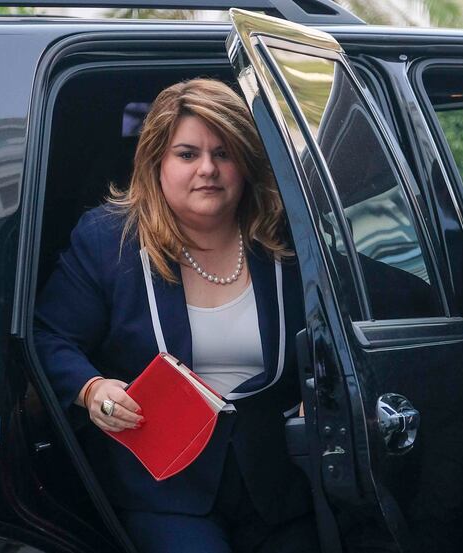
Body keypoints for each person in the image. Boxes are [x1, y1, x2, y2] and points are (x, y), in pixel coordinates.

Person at [34, 78, 317, 553]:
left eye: (224, 153)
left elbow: (342, 325)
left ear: (245, 163)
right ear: (156, 163)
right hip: (163, 489)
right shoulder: (110, 240)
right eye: (187, 154)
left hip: (281, 484)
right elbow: (50, 337)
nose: (207, 169)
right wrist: (92, 389)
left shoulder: (285, 237)